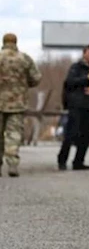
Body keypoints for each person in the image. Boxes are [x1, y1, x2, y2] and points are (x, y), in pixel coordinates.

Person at [0, 33, 41, 177]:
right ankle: (12, 164)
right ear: (16, 42)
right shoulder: (24, 58)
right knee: (14, 134)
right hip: (17, 102)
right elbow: (36, 79)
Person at [57, 45, 89, 170]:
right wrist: (86, 79)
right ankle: (62, 160)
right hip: (76, 105)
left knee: (85, 135)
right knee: (71, 133)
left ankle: (79, 161)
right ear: (84, 53)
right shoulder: (76, 67)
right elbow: (70, 82)